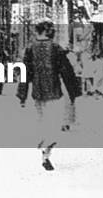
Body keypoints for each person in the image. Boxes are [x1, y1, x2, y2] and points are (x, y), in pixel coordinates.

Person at [17, 19, 79, 172]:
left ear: (37, 32)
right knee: (54, 123)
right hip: (54, 91)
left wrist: (22, 95)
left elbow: (25, 73)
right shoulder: (56, 48)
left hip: (37, 93)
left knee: (42, 122)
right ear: (48, 32)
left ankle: (43, 146)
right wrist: (73, 92)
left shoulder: (30, 49)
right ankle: (46, 153)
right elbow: (67, 72)